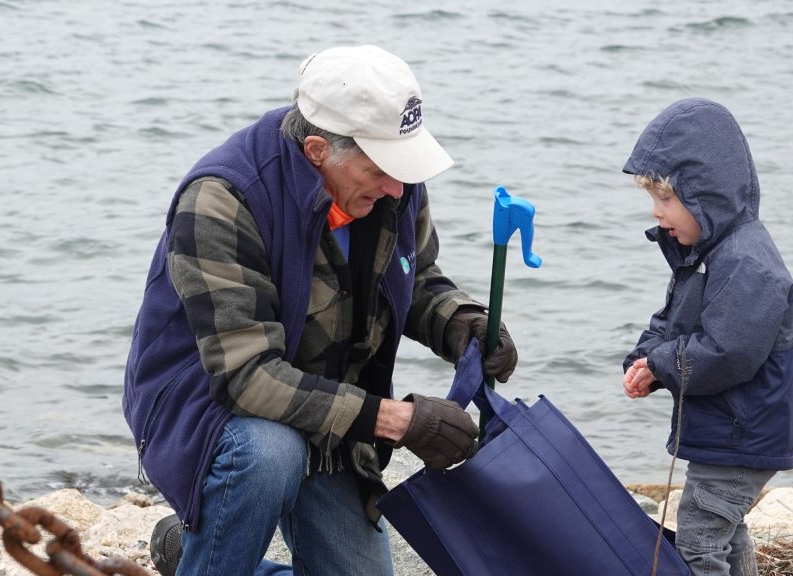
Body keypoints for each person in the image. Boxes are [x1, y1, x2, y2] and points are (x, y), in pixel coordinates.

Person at [122, 45, 518, 576]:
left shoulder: (393, 183)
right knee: (270, 454)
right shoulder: (222, 198)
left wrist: (461, 322)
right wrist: (396, 421)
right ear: (316, 150)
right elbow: (246, 377)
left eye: (403, 166)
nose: (397, 188)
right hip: (213, 408)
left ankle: (186, 554)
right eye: (381, 169)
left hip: (330, 407)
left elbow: (415, 276)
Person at [619, 98, 793, 576]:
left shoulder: (747, 263)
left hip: (742, 436)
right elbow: (673, 324)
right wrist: (645, 358)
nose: (657, 213)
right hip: (727, 433)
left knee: (699, 539)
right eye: (653, 200)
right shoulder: (705, 253)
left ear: (707, 195)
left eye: (666, 200)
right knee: (725, 530)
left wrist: (662, 365)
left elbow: (728, 353)